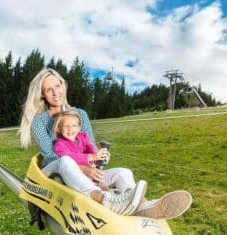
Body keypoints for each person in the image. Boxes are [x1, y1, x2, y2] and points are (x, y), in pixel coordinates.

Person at [19, 68, 146, 215]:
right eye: (49, 90)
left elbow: (90, 146)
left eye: (58, 86)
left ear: (63, 85)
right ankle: (105, 199)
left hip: (85, 171)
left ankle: (137, 204)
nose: (55, 93)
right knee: (65, 161)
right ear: (42, 94)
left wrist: (99, 158)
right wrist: (85, 169)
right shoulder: (39, 121)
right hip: (56, 173)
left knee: (123, 172)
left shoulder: (80, 114)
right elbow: (50, 155)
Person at [52, 110, 110, 191]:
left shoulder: (84, 136)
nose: (70, 129)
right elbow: (70, 157)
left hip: (93, 170)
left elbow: (91, 148)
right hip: (76, 175)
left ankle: (118, 193)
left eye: (74, 125)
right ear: (59, 129)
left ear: (79, 127)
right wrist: (92, 157)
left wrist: (99, 157)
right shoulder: (59, 145)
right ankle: (103, 196)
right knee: (94, 183)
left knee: (121, 174)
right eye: (66, 126)